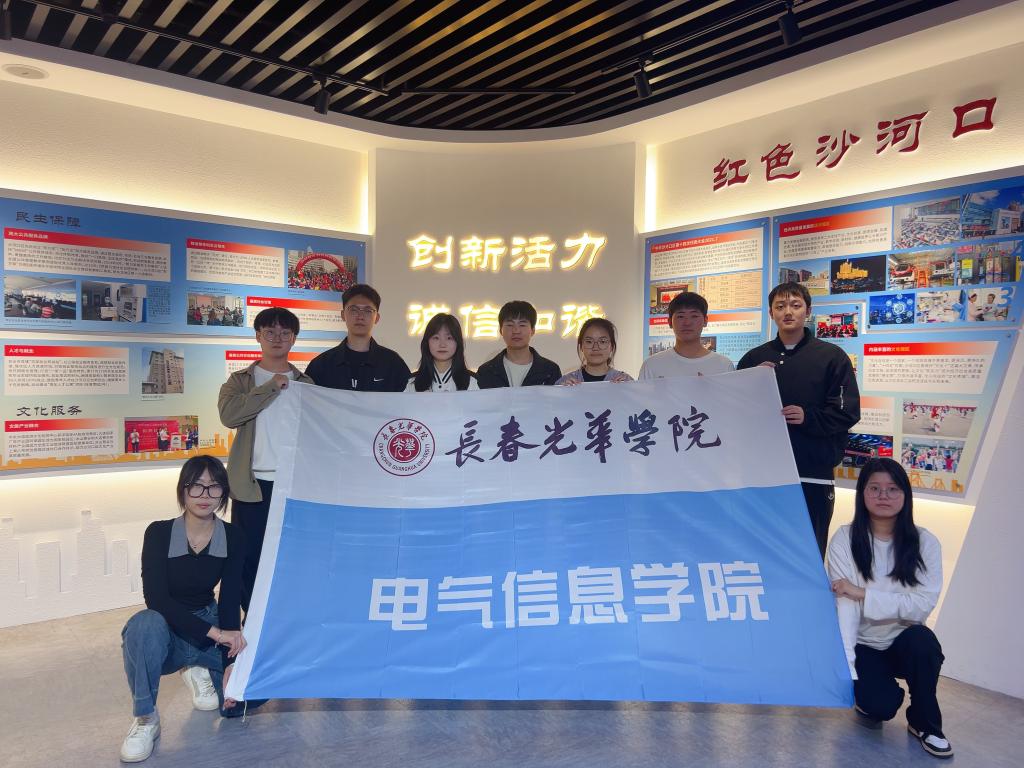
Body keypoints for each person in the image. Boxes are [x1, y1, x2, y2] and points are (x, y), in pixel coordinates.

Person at [119, 456, 247, 763]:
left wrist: (232, 658)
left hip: (208, 621)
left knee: (239, 703)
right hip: (169, 629)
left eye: (214, 487)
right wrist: (215, 634)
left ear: (224, 492)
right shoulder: (159, 533)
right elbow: (157, 599)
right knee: (143, 624)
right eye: (196, 486)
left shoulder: (232, 536)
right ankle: (146, 718)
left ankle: (197, 667)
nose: (205, 495)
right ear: (183, 490)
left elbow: (229, 596)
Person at [827, 457, 950, 759]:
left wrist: (862, 593)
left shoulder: (926, 542)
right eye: (875, 488)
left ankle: (925, 723)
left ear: (906, 495)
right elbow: (845, 606)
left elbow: (921, 607)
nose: (884, 496)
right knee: (879, 707)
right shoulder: (845, 539)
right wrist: (847, 663)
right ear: (862, 493)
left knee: (924, 643)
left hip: (904, 639)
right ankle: (872, 692)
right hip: (864, 643)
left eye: (893, 489)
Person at [738, 282, 860, 558]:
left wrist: (808, 417)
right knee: (760, 551)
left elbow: (848, 412)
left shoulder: (832, 357)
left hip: (813, 474)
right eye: (780, 306)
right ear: (771, 313)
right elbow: (736, 411)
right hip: (763, 474)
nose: (788, 312)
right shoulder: (754, 359)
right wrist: (749, 381)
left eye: (795, 305)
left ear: (808, 311)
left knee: (810, 552)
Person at [218, 307, 312, 613]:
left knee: (292, 554)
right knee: (249, 556)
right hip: (252, 485)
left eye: (285, 333)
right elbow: (229, 416)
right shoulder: (240, 381)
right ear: (258, 336)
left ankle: (285, 616)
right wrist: (271, 386)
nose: (277, 338)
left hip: (294, 485)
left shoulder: (306, 384)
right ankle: (252, 620)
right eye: (269, 332)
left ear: (294, 339)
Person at [305, 284, 410, 391]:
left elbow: (408, 399)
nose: (360, 316)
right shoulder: (321, 365)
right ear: (343, 315)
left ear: (377, 318)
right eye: (354, 310)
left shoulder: (393, 364)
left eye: (368, 311)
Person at [639, 292, 734, 379]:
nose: (687, 322)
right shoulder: (652, 365)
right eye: (680, 316)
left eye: (694, 316)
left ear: (705, 321)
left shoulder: (724, 366)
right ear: (670, 322)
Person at [477, 300, 561, 388]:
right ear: (501, 330)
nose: (516, 331)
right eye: (510, 325)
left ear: (532, 330)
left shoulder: (550, 370)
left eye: (522, 325)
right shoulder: (486, 371)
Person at [407, 313, 479, 392]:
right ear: (427, 342)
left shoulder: (472, 382)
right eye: (436, 338)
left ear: (458, 342)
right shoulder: (411, 383)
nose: (442, 345)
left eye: (449, 338)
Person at [556, 317, 633, 385]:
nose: (595, 347)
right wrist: (561, 390)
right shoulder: (566, 381)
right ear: (581, 346)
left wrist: (629, 388)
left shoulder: (625, 381)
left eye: (602, 341)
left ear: (612, 346)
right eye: (589, 341)